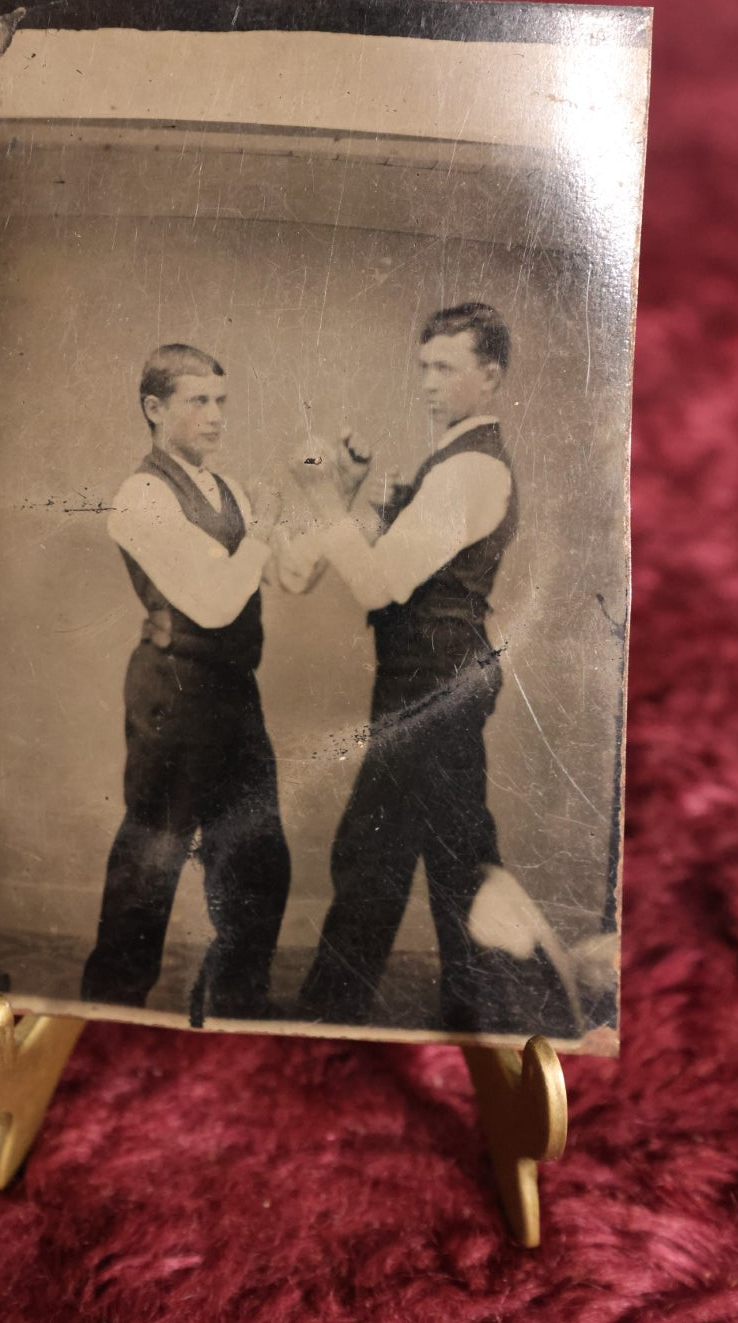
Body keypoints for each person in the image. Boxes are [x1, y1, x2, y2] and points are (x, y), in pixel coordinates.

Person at [283, 303, 579, 1035]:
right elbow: (383, 556)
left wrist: (323, 496)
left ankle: (327, 1021)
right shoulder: (452, 462)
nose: (428, 382)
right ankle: (488, 1013)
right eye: (424, 366)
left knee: (371, 852)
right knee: (456, 857)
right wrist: (348, 498)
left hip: (430, 687)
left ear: (491, 376)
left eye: (446, 367)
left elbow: (380, 583)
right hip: (440, 681)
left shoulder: (471, 469)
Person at [81, 343, 290, 1024]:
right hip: (173, 693)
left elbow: (290, 575)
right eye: (197, 400)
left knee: (258, 858)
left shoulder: (226, 488)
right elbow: (216, 602)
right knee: (152, 859)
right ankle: (109, 1015)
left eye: (220, 400)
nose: (215, 416)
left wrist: (324, 499)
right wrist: (265, 530)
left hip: (233, 691)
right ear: (153, 408)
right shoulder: (140, 495)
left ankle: (233, 1006)